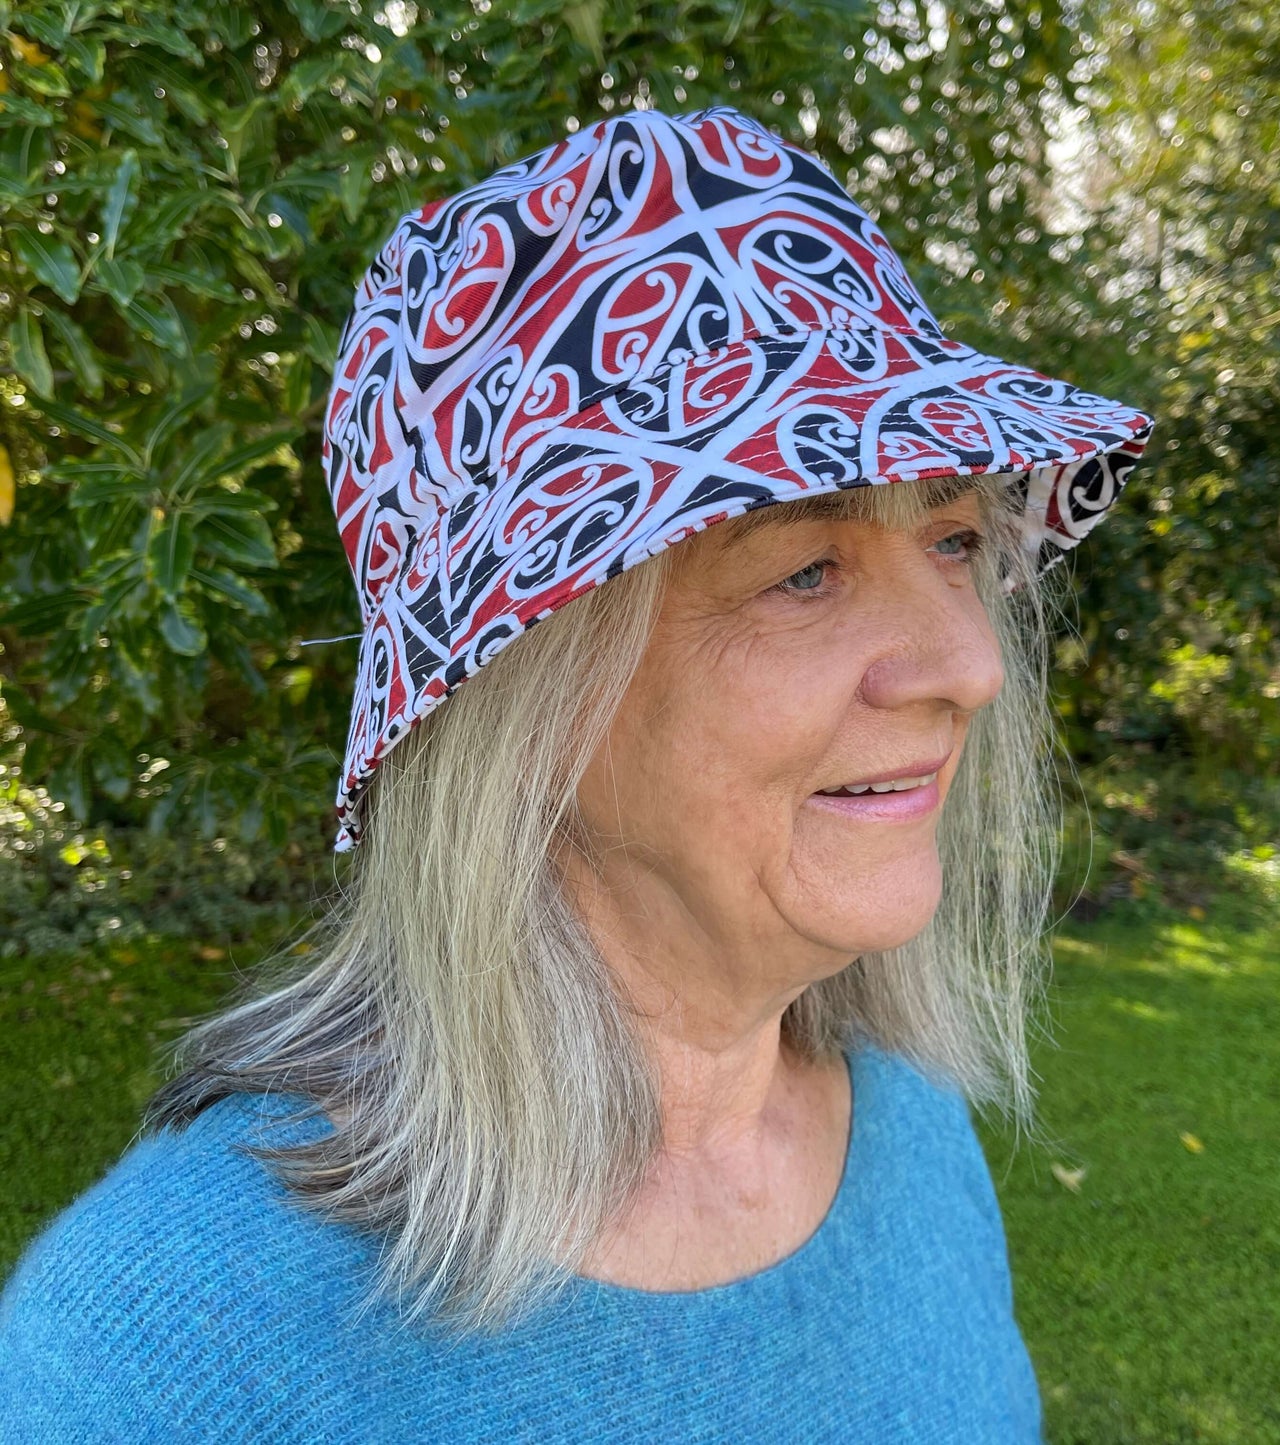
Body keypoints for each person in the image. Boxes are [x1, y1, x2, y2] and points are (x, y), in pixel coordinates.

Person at [0, 105, 1151, 1441]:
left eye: (953, 541)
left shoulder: (908, 1134)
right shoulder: (173, 1336)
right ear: (520, 697)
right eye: (805, 569)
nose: (966, 665)